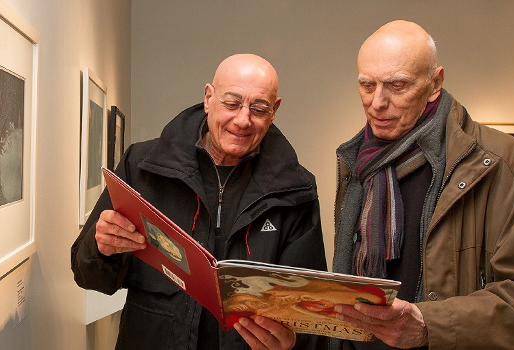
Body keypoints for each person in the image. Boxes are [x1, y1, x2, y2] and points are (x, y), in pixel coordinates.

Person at [331, 21, 514, 349]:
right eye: (366, 85)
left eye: (398, 85)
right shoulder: (356, 162)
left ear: (435, 83)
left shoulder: (501, 162)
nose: (377, 102)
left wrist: (429, 325)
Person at [71, 54, 327, 350]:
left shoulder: (296, 190)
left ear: (275, 110)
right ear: (208, 97)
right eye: (231, 103)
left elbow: (312, 310)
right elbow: (87, 275)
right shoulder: (142, 166)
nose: (243, 120)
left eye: (259, 109)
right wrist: (101, 246)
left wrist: (293, 342)